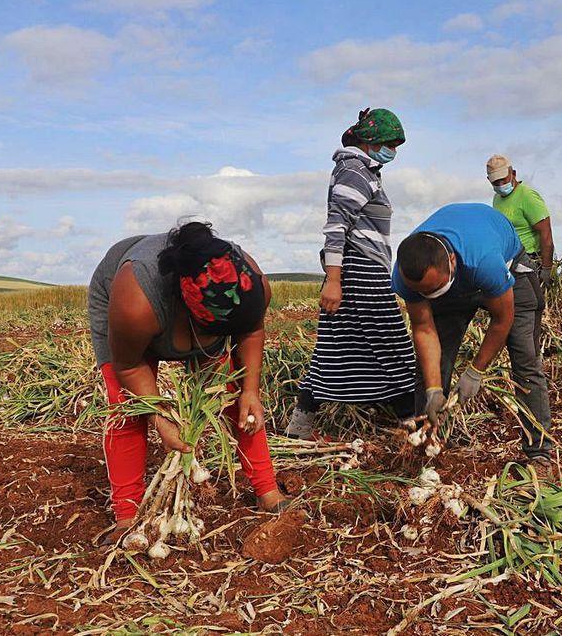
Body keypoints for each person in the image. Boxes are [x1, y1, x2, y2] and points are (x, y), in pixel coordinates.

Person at [88, 221, 288, 541]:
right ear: (192, 315)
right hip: (130, 314)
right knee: (128, 409)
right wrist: (159, 415)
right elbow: (128, 365)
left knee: (234, 396)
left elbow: (250, 330)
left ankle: (267, 490)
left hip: (195, 317)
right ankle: (128, 515)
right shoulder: (136, 301)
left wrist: (250, 390)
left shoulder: (250, 281)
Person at [285, 108, 417, 437]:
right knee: (393, 346)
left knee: (336, 347)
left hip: (361, 269)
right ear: (370, 141)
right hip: (359, 271)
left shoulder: (365, 171)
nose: (394, 151)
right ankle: (415, 426)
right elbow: (336, 226)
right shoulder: (355, 171)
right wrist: (333, 280)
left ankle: (299, 425)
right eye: (389, 143)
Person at [392, 203, 552, 463]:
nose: (430, 297)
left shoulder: (484, 261)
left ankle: (539, 451)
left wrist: (475, 372)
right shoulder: (406, 275)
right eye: (426, 294)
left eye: (436, 290)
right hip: (456, 282)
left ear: (452, 262)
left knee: (526, 361)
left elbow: (503, 319)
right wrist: (433, 388)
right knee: (431, 369)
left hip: (509, 272)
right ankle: (430, 445)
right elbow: (423, 328)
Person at [487, 154, 555, 342]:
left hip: (530, 262)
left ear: (513, 173)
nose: (501, 184)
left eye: (504, 179)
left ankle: (533, 353)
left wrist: (546, 269)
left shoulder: (527, 196)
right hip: (509, 264)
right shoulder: (497, 199)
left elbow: (546, 234)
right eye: (496, 182)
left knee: (530, 311)